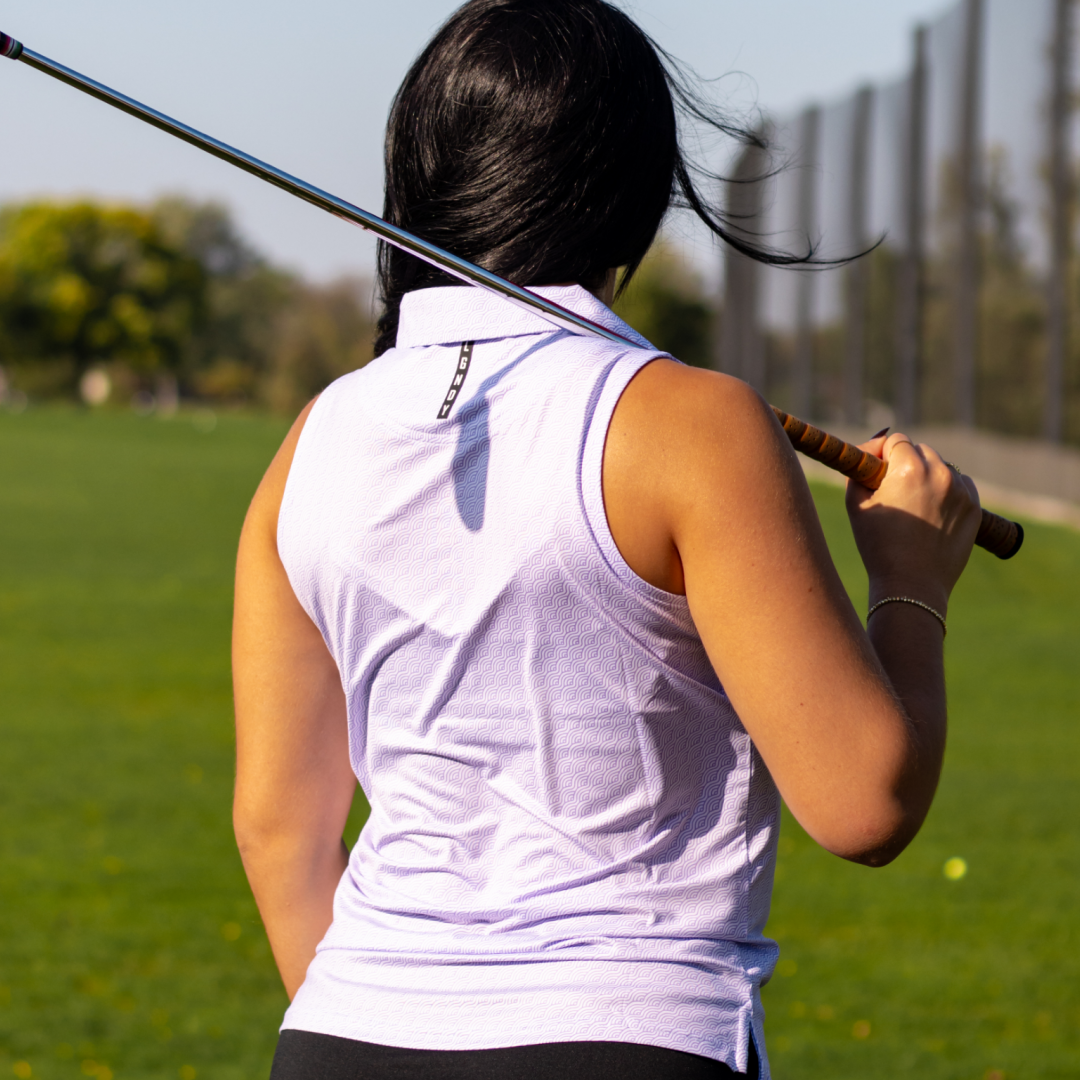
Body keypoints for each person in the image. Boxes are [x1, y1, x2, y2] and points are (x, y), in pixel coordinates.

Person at [231, 2, 982, 1078]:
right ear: (631, 196)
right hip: (629, 1037)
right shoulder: (696, 423)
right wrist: (912, 579)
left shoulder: (314, 437)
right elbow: (865, 800)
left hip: (346, 1034)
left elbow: (278, 831)